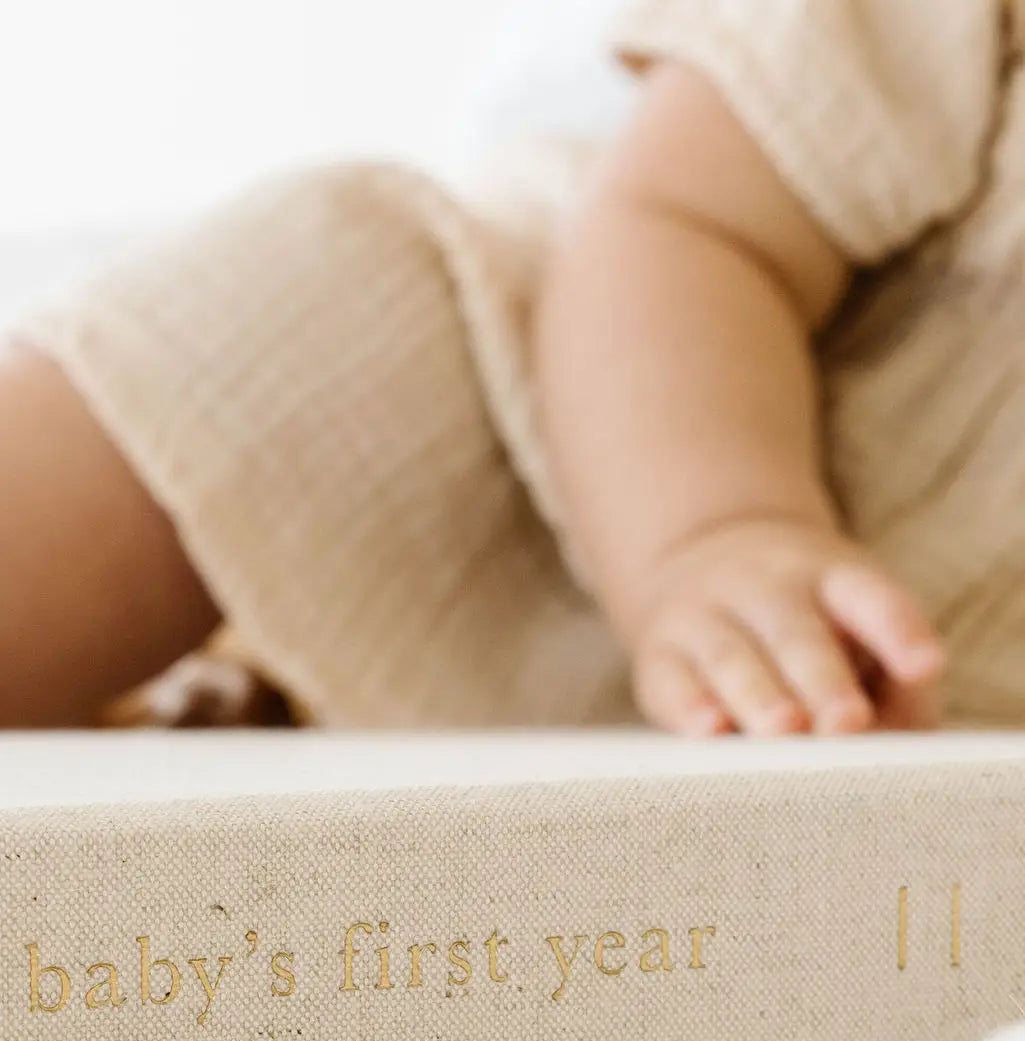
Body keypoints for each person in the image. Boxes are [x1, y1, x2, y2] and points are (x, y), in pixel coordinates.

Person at [0, 0, 1016, 735]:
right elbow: (693, 226)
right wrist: (717, 534)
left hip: (865, 755)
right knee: (314, 314)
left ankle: (233, 710)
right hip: (558, 455)